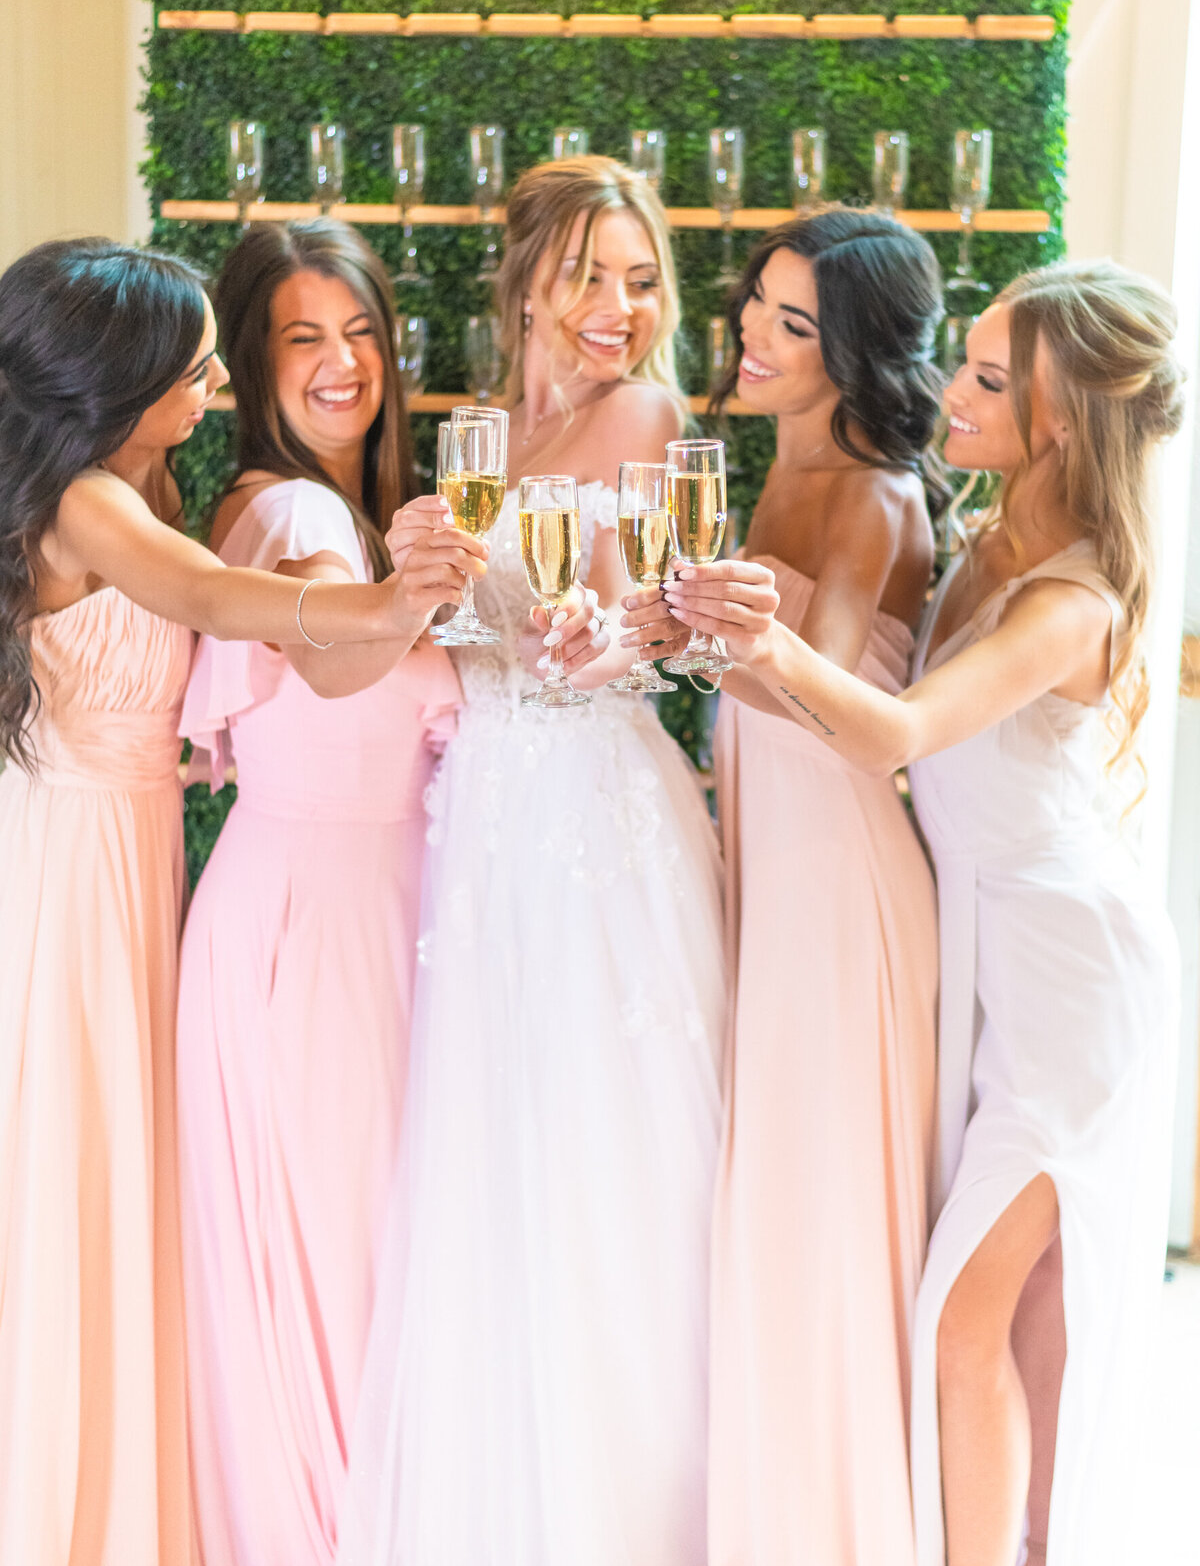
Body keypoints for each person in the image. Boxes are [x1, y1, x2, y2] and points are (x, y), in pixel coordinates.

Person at [628, 261, 1182, 1566]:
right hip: (984, 956)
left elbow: (896, 730)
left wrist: (748, 640)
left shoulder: (1069, 601)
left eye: (990, 379)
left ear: (1060, 424)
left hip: (1067, 989)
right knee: (1028, 1307)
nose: (950, 390)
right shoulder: (989, 534)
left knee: (964, 1317)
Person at [0, 238, 484, 1566]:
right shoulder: (93, 501)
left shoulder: (129, 488)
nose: (214, 378)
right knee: (75, 1168)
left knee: (115, 1178)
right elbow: (219, 601)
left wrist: (390, 612)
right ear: (112, 378)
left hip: (124, 851)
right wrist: (386, 600)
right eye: (192, 358)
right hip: (71, 866)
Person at [339, 157, 728, 1566]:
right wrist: (425, 579)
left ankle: (636, 1505)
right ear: (524, 283)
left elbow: (659, 624)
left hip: (597, 807)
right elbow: (452, 629)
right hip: (487, 806)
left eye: (637, 279)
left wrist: (611, 642)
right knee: (489, 1129)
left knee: (608, 1128)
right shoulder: (474, 433)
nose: (616, 307)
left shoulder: (648, 412)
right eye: (586, 277)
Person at [175, 222, 465, 1566]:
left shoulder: (343, 514)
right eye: (303, 339)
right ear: (248, 360)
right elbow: (337, 663)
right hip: (325, 927)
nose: (342, 364)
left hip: (323, 907)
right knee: (347, 1269)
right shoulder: (297, 520)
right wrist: (410, 598)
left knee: (337, 1264)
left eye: (359, 332)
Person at [702, 208, 942, 1566]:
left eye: (795, 324)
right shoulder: (770, 476)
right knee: (773, 1200)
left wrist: (662, 622)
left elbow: (827, 693)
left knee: (823, 1209)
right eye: (756, 306)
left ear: (853, 351)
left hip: (840, 889)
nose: (755, 335)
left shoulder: (870, 493)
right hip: (771, 870)